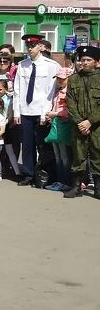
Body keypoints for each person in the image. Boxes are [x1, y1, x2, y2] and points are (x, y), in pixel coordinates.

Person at [12, 33, 61, 188]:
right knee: (27, 146)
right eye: (28, 46)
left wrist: (45, 113)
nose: (30, 49)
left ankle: (45, 174)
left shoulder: (51, 65)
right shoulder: (22, 65)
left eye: (33, 46)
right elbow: (18, 90)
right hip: (26, 110)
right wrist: (16, 112)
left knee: (43, 145)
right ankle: (28, 174)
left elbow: (51, 91)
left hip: (41, 111)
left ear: (40, 46)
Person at [64, 45, 100, 199]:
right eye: (82, 60)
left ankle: (98, 187)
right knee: (78, 156)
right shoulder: (73, 79)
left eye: (88, 60)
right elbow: (70, 102)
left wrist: (90, 122)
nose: (84, 63)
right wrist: (80, 122)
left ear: (97, 62)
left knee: (98, 155)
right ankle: (77, 186)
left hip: (97, 126)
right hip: (78, 125)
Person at [44, 68, 73, 192]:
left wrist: (54, 114)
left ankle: (65, 182)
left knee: (64, 156)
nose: (59, 80)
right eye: (58, 78)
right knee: (58, 156)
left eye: (62, 78)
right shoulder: (58, 91)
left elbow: (68, 111)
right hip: (56, 125)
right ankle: (60, 181)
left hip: (64, 125)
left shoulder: (69, 93)